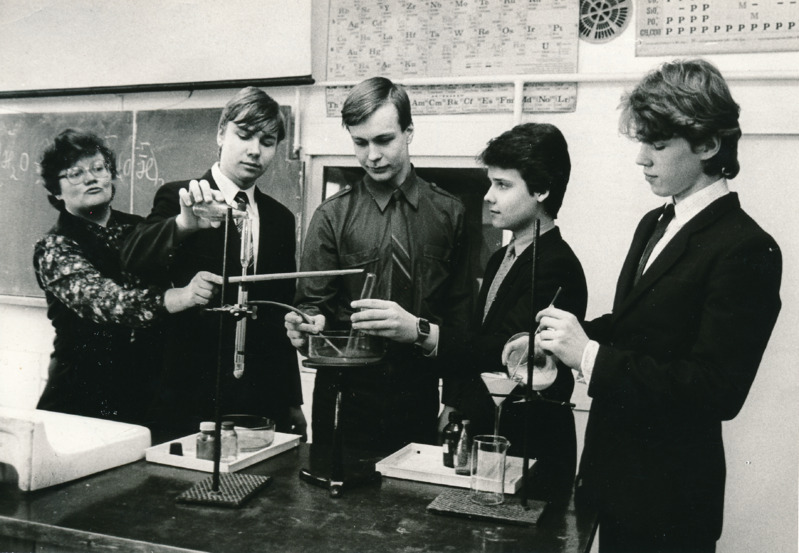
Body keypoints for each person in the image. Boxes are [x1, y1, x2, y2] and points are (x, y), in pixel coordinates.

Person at [512, 59, 782, 552]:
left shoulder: (746, 247)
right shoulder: (655, 222)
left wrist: (589, 357)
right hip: (611, 479)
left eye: (657, 145)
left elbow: (716, 389)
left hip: (670, 498)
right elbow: (637, 323)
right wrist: (563, 340)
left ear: (707, 144)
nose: (642, 158)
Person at [352, 122, 588, 503]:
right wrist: (457, 402)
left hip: (531, 444)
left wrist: (420, 330)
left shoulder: (556, 265)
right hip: (489, 436)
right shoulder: (501, 258)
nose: (489, 196)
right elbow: (475, 333)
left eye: (503, 185)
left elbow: (505, 351)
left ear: (542, 189)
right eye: (490, 183)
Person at [285, 76, 473, 455]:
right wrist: (307, 323)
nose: (372, 155)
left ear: (409, 132)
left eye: (384, 140)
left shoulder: (450, 213)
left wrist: (455, 401)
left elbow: (461, 316)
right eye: (360, 142)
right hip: (343, 398)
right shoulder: (332, 217)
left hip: (418, 396)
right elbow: (312, 306)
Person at [122, 87, 307, 443]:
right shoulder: (181, 197)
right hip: (186, 397)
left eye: (267, 141)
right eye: (244, 135)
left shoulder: (280, 219)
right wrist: (183, 224)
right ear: (221, 133)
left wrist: (291, 401)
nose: (255, 150)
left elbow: (279, 313)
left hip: (257, 401)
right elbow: (132, 258)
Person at [34, 129, 221, 425]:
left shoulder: (138, 228)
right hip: (81, 398)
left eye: (99, 168)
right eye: (75, 174)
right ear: (56, 191)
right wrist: (176, 297)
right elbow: (107, 302)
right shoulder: (55, 246)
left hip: (148, 394)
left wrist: (187, 226)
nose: (91, 178)